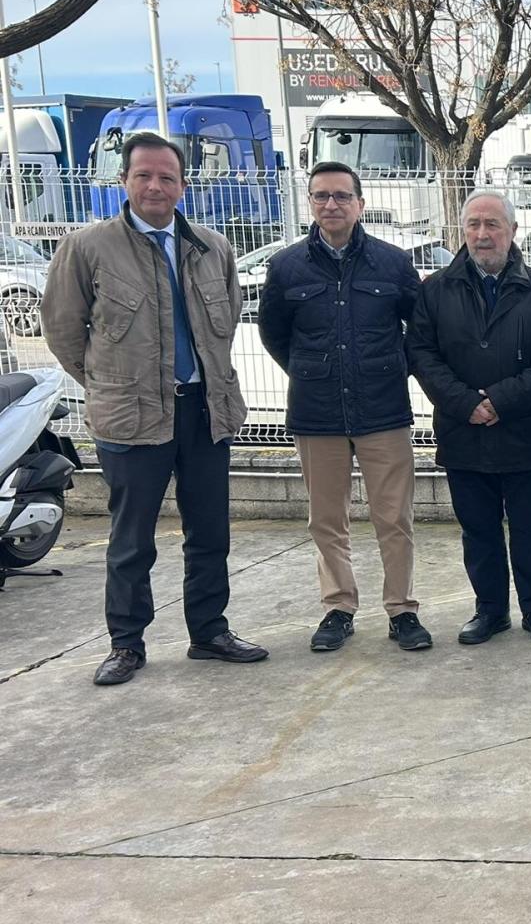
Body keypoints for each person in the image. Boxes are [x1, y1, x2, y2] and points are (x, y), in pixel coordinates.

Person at [40, 132, 266, 685]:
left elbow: (225, 322)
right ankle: (126, 643)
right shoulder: (88, 248)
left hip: (205, 412)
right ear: (124, 180)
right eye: (143, 175)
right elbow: (63, 331)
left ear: (183, 185)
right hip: (132, 417)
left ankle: (209, 632)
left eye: (167, 177)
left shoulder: (212, 247)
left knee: (209, 534)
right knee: (131, 540)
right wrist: (108, 385)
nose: (155, 186)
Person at [257, 161, 429, 653]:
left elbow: (420, 330)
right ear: (310, 203)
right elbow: (274, 334)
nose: (331, 204)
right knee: (326, 519)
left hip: (383, 411)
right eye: (321, 196)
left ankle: (402, 610)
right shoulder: (286, 267)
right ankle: (338, 607)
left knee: (393, 518)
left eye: (341, 196)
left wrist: (390, 369)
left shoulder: (393, 263)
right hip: (317, 413)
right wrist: (310, 370)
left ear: (360, 204)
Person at [409, 191, 531, 646]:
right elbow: (421, 353)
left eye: (493, 224)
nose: (483, 234)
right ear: (462, 231)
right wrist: (466, 403)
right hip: (463, 432)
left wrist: (501, 399)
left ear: (512, 231)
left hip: (524, 431)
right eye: (474, 224)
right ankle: (490, 610)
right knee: (478, 530)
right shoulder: (434, 290)